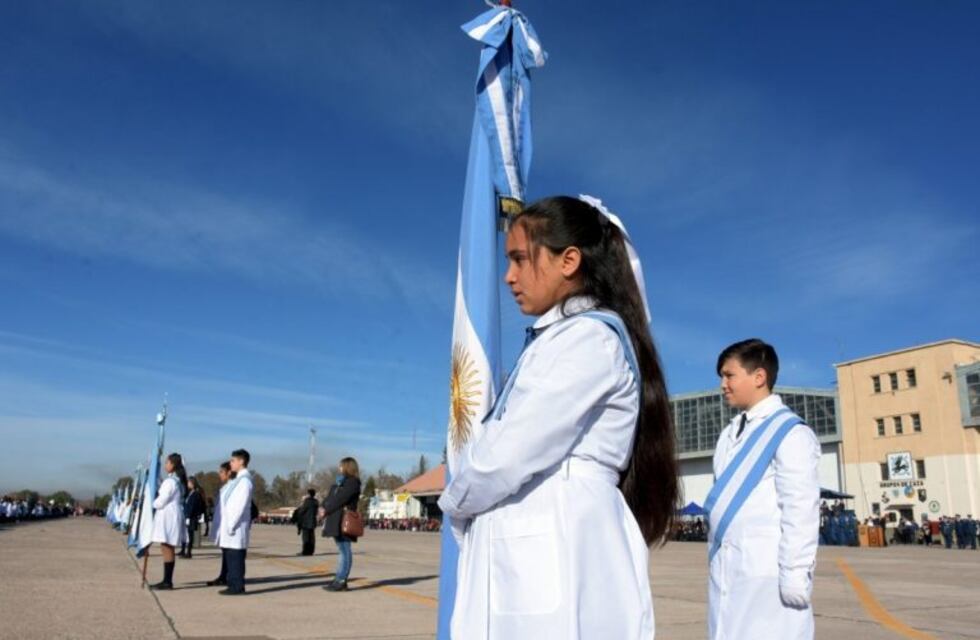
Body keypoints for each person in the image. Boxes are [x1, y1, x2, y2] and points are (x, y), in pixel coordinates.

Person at [438, 196, 678, 639]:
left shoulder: (587, 338)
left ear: (569, 260)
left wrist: (454, 500)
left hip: (560, 534)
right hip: (539, 535)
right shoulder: (560, 337)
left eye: (519, 259)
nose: (509, 276)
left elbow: (509, 452)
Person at [706, 339, 820, 640]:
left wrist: (795, 572)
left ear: (759, 377)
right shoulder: (729, 434)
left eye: (729, 375)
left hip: (766, 569)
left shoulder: (791, 432)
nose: (722, 385)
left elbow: (801, 507)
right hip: (729, 566)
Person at [320, 458, 362, 591]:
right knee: (341, 549)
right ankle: (339, 577)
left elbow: (341, 499)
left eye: (341, 466)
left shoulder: (353, 482)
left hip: (344, 520)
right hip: (335, 519)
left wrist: (327, 509)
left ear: (347, 467)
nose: (339, 468)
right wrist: (322, 506)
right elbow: (331, 497)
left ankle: (341, 580)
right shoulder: (340, 483)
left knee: (345, 550)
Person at [150, 453, 189, 590]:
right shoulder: (176, 481)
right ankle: (167, 579)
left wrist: (151, 503)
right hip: (172, 514)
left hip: (168, 515)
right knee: (167, 546)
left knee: (166, 546)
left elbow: (161, 501)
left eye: (167, 463)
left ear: (173, 465)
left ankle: (167, 581)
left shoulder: (171, 482)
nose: (166, 465)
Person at [217, 450, 253, 595]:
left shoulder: (244, 481)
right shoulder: (238, 480)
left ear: (241, 461)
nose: (230, 463)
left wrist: (231, 524)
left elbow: (239, 505)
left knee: (236, 556)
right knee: (231, 556)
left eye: (233, 460)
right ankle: (232, 583)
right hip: (230, 525)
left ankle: (237, 586)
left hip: (236, 526)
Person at [207, 461, 234, 587]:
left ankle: (227, 576)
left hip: (227, 524)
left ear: (229, 472)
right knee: (224, 552)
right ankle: (223, 575)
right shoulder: (224, 487)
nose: (219, 474)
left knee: (228, 552)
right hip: (221, 524)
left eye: (222, 472)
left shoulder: (233, 487)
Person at [180, 478, 206, 559]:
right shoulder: (190, 493)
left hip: (191, 517)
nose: (187, 484)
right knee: (186, 534)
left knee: (190, 535)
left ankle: (189, 552)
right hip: (187, 516)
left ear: (192, 483)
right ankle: (183, 550)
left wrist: (188, 515)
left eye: (189, 482)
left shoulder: (196, 494)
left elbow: (193, 506)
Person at [293, 488, 319, 556]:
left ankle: (305, 551)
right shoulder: (316, 501)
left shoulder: (307, 501)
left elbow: (302, 511)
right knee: (312, 538)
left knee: (306, 538)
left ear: (309, 494)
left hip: (306, 522)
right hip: (313, 522)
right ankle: (311, 551)